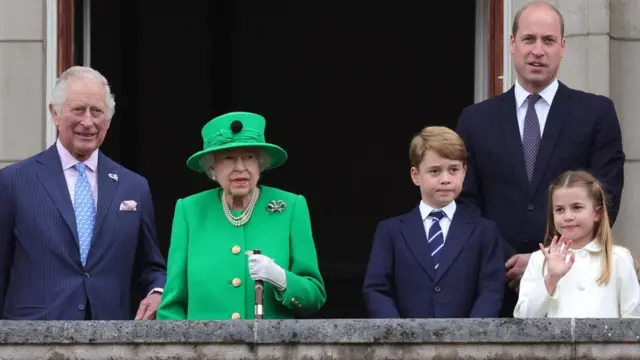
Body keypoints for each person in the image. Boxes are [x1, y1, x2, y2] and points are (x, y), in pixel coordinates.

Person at [455, 0, 625, 317]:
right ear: (511, 44)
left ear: (562, 47)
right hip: (494, 284)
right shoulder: (475, 120)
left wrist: (542, 261)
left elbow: (606, 195)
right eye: (529, 39)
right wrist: (505, 258)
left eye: (548, 41)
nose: (538, 50)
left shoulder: (595, 113)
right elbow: (465, 201)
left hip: (574, 285)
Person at [0, 66, 167, 320]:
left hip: (109, 339)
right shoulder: (14, 181)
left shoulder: (134, 187)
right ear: (55, 113)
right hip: (31, 340)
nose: (87, 122)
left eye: (97, 111)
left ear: (108, 120)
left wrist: (158, 291)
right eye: (78, 109)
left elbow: (150, 266)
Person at [156, 111, 326, 320]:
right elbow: (172, 306)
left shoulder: (291, 207)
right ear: (212, 167)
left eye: (249, 157)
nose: (240, 168)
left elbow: (314, 297)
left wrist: (282, 279)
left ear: (260, 163)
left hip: (270, 349)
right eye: (228, 158)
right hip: (204, 350)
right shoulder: (190, 210)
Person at [362, 126, 505, 318]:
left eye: (453, 170)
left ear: (464, 172)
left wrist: (471, 338)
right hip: (405, 343)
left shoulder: (485, 231)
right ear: (416, 175)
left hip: (466, 343)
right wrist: (398, 335)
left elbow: (491, 291)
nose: (445, 179)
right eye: (435, 171)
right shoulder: (390, 231)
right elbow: (376, 289)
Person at [514, 170, 640, 318]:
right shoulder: (539, 259)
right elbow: (523, 319)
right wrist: (551, 279)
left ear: (596, 214)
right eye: (560, 209)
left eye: (577, 207)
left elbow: (633, 321)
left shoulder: (618, 258)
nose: (568, 217)